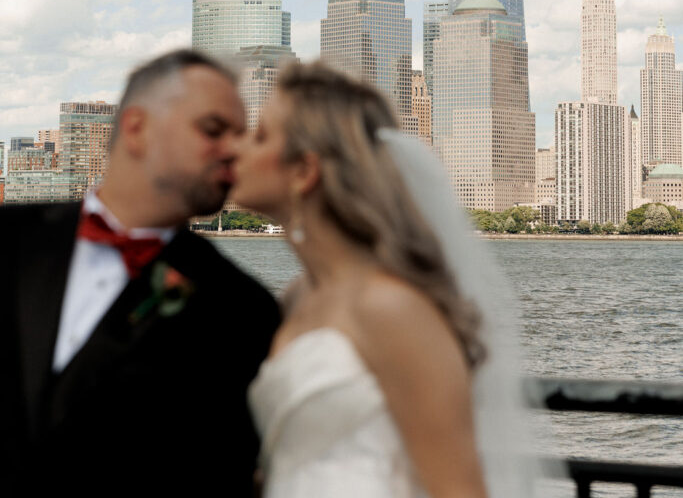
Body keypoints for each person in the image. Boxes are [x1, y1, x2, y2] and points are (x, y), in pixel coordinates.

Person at [229, 61, 536, 498]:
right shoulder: (297, 298)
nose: (238, 148)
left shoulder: (391, 308)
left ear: (304, 171)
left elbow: (459, 490)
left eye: (259, 135)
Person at [0, 49, 280, 494]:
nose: (235, 150)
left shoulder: (243, 308)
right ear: (136, 128)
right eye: (213, 129)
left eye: (242, 135)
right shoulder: (10, 239)